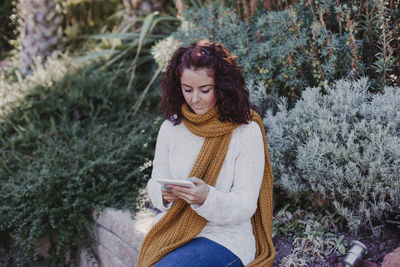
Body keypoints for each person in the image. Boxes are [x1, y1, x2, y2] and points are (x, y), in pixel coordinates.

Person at [138, 39, 275, 267]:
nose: (195, 99)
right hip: (173, 228)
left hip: (225, 237)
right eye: (187, 89)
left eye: (205, 90)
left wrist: (206, 198)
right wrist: (164, 193)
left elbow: (246, 204)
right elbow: (154, 183)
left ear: (222, 87)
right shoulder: (171, 128)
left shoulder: (245, 131)